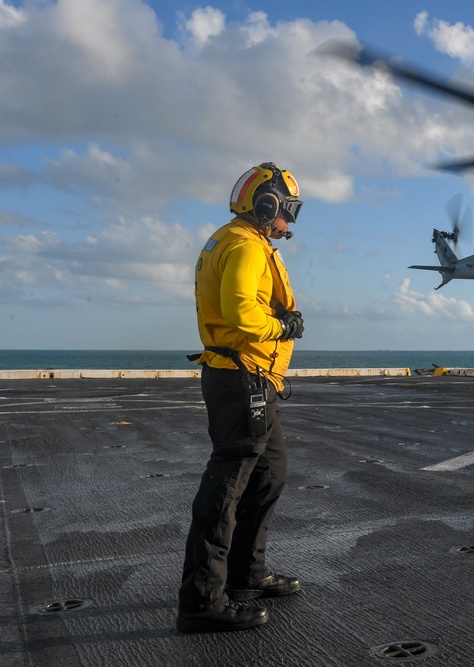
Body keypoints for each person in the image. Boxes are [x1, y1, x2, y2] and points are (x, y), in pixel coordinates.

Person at [177, 162, 305, 633]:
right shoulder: (245, 246)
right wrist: (282, 326)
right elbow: (241, 310)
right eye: (286, 212)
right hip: (241, 378)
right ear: (266, 203)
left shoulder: (233, 240)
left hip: (252, 379)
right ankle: (202, 600)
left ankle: (246, 575)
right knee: (227, 487)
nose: (288, 224)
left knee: (270, 473)